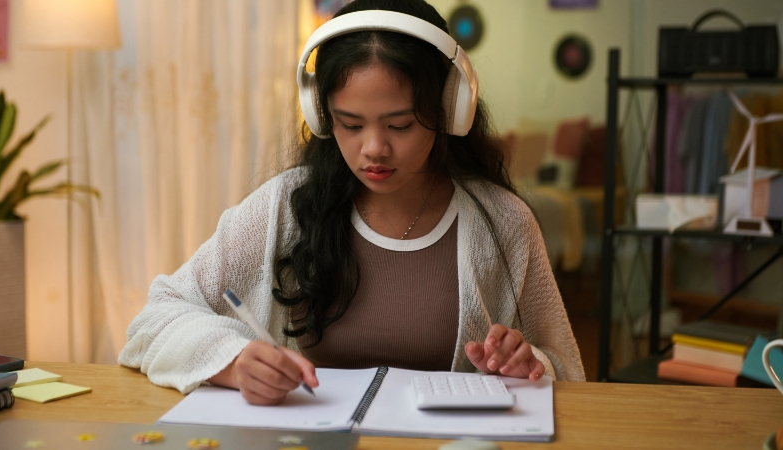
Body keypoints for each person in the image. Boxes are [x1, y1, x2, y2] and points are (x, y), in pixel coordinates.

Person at [118, 0, 585, 406]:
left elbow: (565, 368)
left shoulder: (503, 222)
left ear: (449, 109)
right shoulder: (287, 206)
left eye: (400, 125)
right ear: (321, 116)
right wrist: (232, 361)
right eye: (350, 124)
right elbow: (156, 317)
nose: (373, 149)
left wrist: (529, 364)